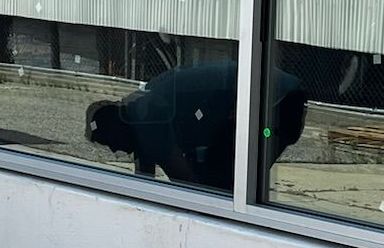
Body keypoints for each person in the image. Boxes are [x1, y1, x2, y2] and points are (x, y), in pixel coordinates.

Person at [86, 60, 308, 190]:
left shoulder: (147, 122)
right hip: (272, 93)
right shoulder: (139, 111)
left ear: (117, 127)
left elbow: (186, 183)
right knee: (215, 170)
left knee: (222, 182)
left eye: (110, 142)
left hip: (278, 99)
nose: (115, 149)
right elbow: (146, 175)